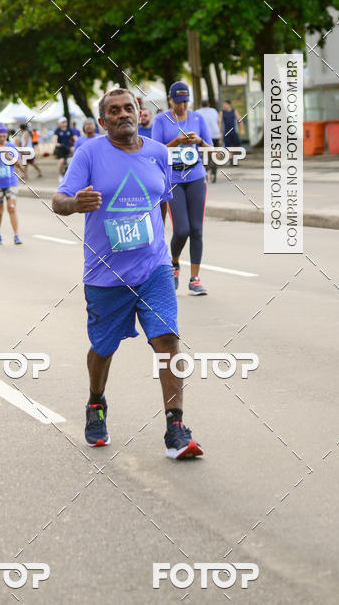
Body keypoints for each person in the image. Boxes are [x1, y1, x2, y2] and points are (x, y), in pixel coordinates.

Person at [52, 88, 203, 460]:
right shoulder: (89, 153)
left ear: (140, 113)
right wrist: (75, 204)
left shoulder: (157, 153)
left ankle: (176, 427)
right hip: (106, 275)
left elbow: (162, 202)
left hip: (154, 268)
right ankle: (96, 402)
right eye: (114, 111)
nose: (123, 114)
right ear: (103, 122)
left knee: (167, 340)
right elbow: (58, 200)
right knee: (104, 349)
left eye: (129, 108)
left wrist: (164, 250)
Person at [152, 82, 212, 296]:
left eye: (185, 101)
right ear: (171, 100)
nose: (182, 106)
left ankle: (195, 279)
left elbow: (212, 150)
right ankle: (174, 263)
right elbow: (156, 151)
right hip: (173, 180)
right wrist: (177, 140)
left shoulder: (198, 118)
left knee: (197, 229)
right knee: (182, 230)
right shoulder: (160, 120)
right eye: (178, 102)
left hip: (196, 177)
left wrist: (200, 140)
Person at [199, 99, 221, 183]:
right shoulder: (214, 111)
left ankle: (205, 172)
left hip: (203, 137)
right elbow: (218, 122)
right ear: (208, 104)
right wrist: (219, 132)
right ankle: (213, 172)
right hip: (215, 135)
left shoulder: (198, 112)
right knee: (213, 154)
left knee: (204, 154)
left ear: (201, 105)